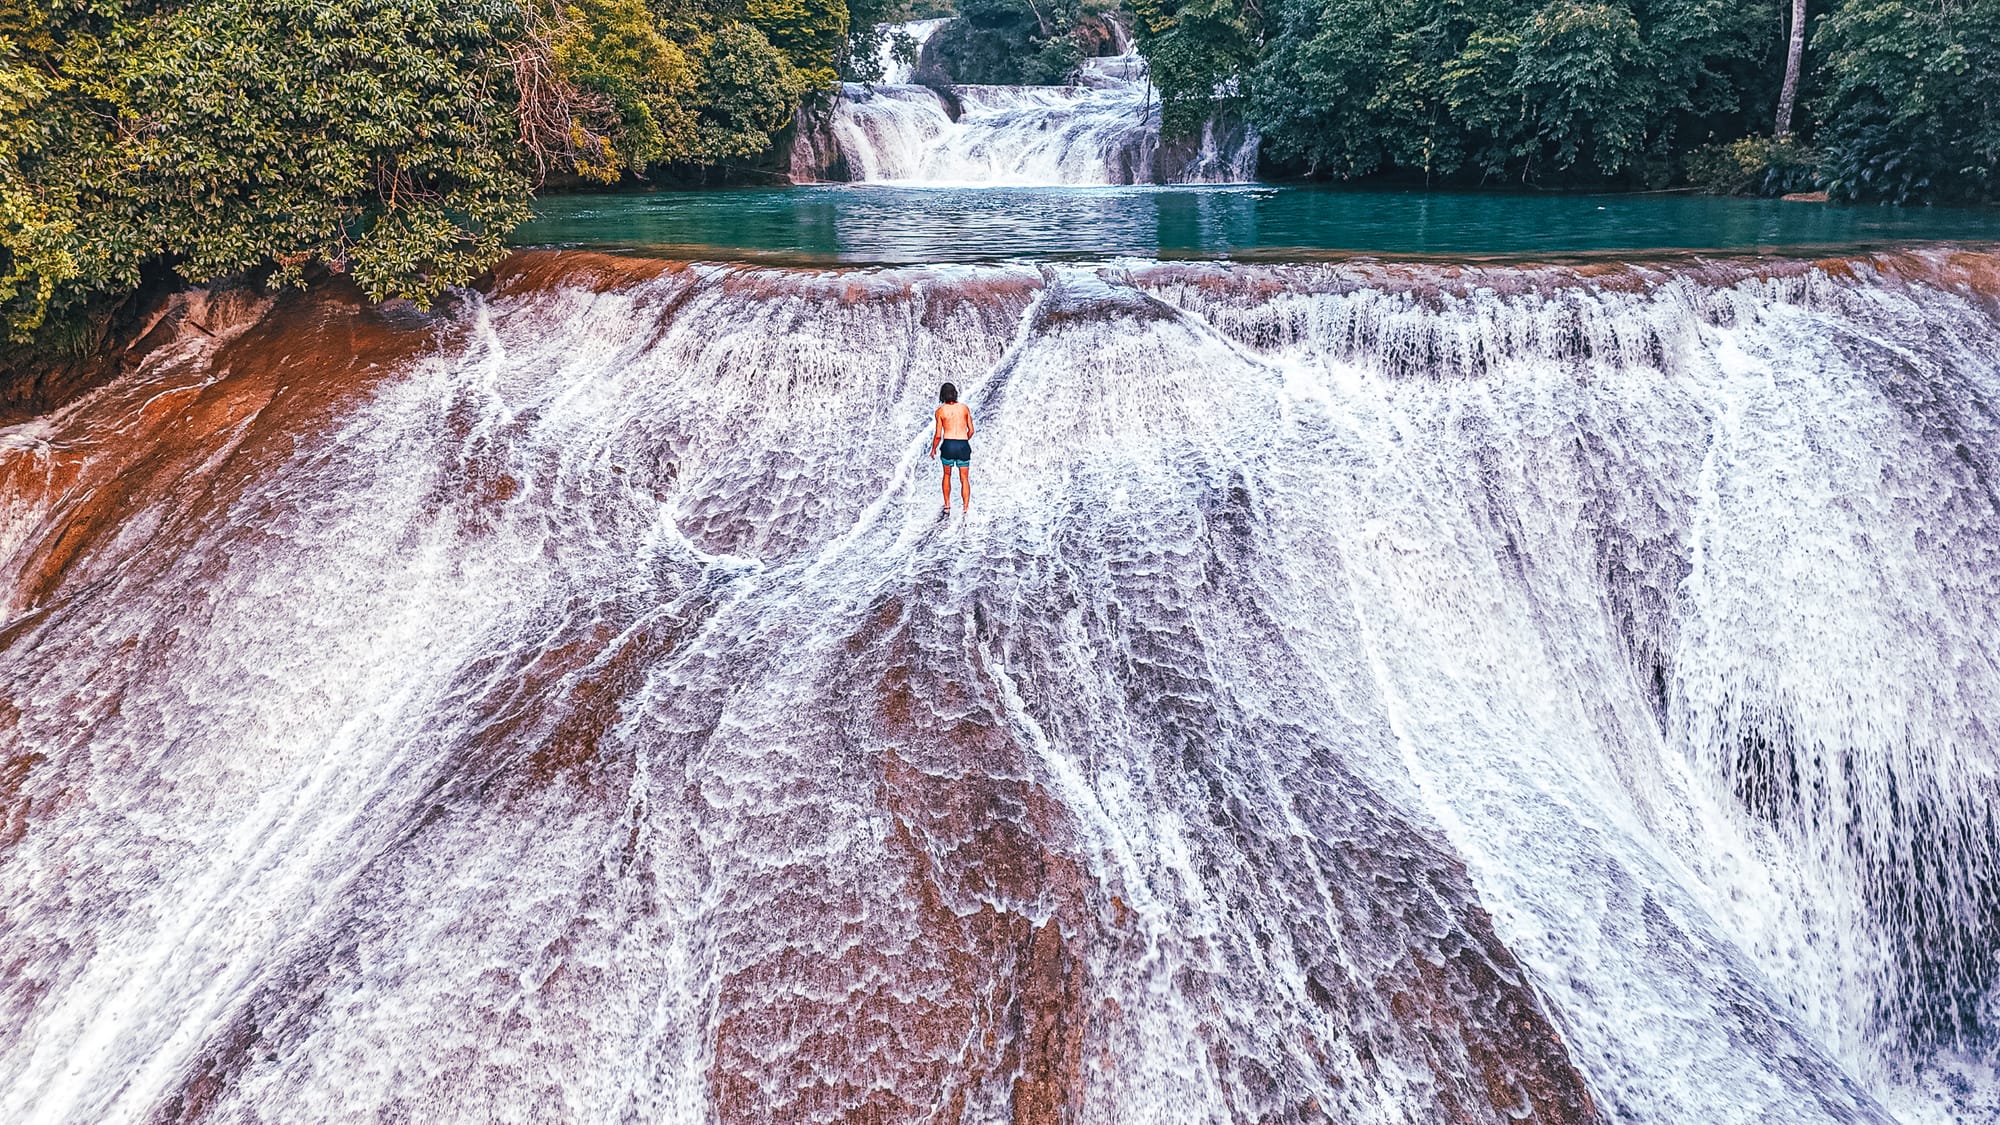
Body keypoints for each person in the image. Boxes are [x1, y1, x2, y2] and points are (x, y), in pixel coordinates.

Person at [929, 382, 973, 511]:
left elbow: (938, 435)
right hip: (962, 444)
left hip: (948, 444)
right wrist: (963, 441)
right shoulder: (964, 408)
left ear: (942, 395)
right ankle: (965, 507)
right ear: (955, 393)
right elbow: (971, 430)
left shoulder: (940, 411)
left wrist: (934, 449)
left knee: (947, 475)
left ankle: (947, 504)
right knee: (964, 478)